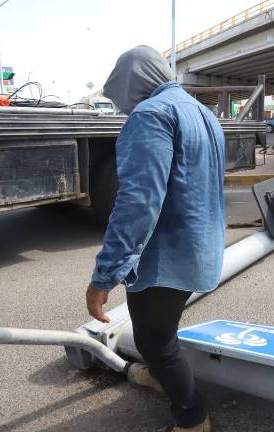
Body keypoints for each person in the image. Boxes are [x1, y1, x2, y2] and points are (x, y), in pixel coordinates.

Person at [86, 46, 225, 432]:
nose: (123, 109)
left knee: (156, 342)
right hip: (201, 248)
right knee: (162, 334)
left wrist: (105, 275)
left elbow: (138, 202)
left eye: (122, 99)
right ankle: (160, 378)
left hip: (166, 257)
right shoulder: (202, 113)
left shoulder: (150, 115)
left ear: (133, 85)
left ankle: (192, 420)